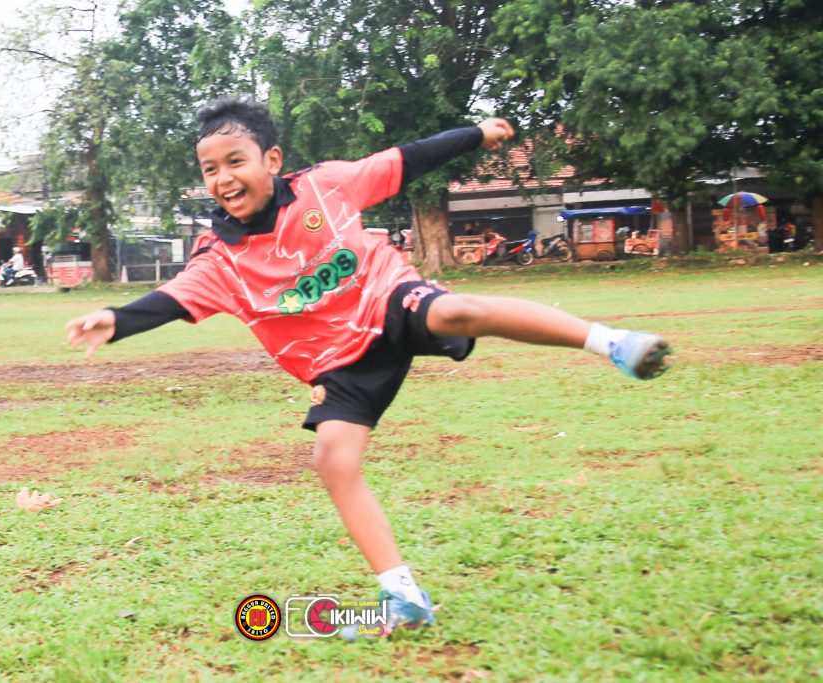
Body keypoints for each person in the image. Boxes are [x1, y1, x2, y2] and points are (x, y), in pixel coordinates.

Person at [65, 97, 672, 638]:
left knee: (457, 311)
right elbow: (172, 299)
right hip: (336, 362)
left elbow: (405, 159)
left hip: (386, 302)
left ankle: (612, 343)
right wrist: (116, 319)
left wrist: (476, 134)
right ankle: (403, 597)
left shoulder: (326, 187)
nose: (223, 178)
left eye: (235, 161)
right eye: (209, 169)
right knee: (334, 460)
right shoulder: (220, 257)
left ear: (271, 160)